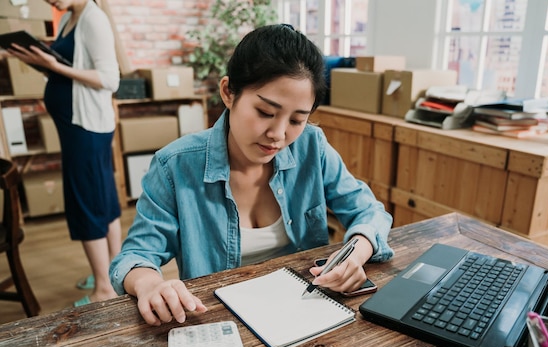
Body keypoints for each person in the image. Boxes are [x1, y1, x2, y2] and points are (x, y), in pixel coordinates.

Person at [109, 24, 394, 326]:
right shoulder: (175, 166)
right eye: (265, 113)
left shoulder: (312, 146)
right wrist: (150, 284)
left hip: (307, 312)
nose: (278, 135)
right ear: (228, 93)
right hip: (217, 321)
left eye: (297, 119)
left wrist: (355, 253)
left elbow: (368, 211)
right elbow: (135, 256)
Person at [7, 0, 121, 306]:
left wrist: (54, 67)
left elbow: (110, 79)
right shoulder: (71, 16)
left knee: (86, 200)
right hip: (79, 127)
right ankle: (114, 272)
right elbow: (73, 66)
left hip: (86, 128)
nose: (49, 0)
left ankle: (103, 289)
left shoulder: (93, 19)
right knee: (101, 196)